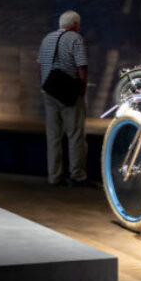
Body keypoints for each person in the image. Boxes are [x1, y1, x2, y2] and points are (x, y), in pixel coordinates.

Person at [38, 10, 90, 187]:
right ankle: (77, 176)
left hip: (49, 91)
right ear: (76, 24)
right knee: (75, 135)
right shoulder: (76, 39)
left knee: (53, 136)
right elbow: (82, 67)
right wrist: (82, 91)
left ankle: (54, 176)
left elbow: (41, 66)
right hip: (69, 93)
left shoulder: (46, 39)